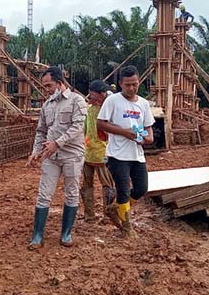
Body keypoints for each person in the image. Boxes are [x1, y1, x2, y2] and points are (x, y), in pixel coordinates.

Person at [26, 66, 87, 249]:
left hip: (72, 155)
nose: (46, 89)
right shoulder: (47, 105)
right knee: (44, 194)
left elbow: (77, 127)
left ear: (59, 83)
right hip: (50, 156)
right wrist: (35, 151)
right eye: (44, 86)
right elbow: (41, 131)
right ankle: (37, 236)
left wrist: (57, 143)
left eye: (48, 85)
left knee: (71, 193)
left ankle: (66, 234)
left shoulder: (77, 101)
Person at [97, 66, 155, 238]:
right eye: (127, 85)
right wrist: (124, 132)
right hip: (117, 154)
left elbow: (148, 127)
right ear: (120, 84)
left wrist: (149, 138)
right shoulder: (112, 101)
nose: (131, 88)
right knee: (123, 190)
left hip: (136, 154)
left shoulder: (143, 104)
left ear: (139, 83)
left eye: (134, 84)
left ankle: (115, 208)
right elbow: (101, 123)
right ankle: (127, 229)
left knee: (141, 188)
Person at [80, 79, 116, 222]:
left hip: (103, 153)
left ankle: (108, 216)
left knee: (107, 186)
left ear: (101, 94)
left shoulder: (109, 110)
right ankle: (90, 215)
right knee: (87, 186)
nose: (90, 97)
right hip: (89, 152)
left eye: (93, 94)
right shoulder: (90, 109)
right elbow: (85, 130)